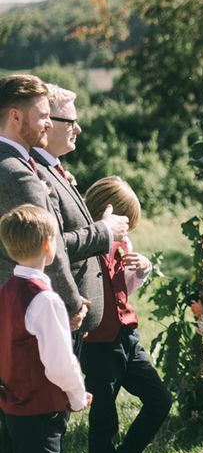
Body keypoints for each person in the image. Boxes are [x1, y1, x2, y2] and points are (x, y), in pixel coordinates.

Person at [80, 176, 172, 453]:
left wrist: (142, 269)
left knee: (160, 399)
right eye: (125, 222)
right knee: (104, 417)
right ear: (108, 211)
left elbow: (123, 290)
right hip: (97, 342)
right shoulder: (85, 245)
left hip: (127, 335)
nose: (127, 231)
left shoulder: (124, 244)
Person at [0, 204, 92, 453]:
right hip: (42, 410)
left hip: (13, 405)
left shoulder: (6, 290)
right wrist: (77, 396)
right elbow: (59, 362)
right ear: (48, 243)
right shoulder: (45, 300)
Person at [32, 84, 129, 335]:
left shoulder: (53, 168)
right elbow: (54, 245)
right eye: (70, 122)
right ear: (47, 122)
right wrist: (105, 230)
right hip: (61, 314)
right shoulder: (36, 174)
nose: (78, 129)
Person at [0, 74, 86, 328]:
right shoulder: (15, 171)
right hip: (27, 314)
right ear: (15, 117)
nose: (49, 124)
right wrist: (72, 305)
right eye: (43, 116)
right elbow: (47, 244)